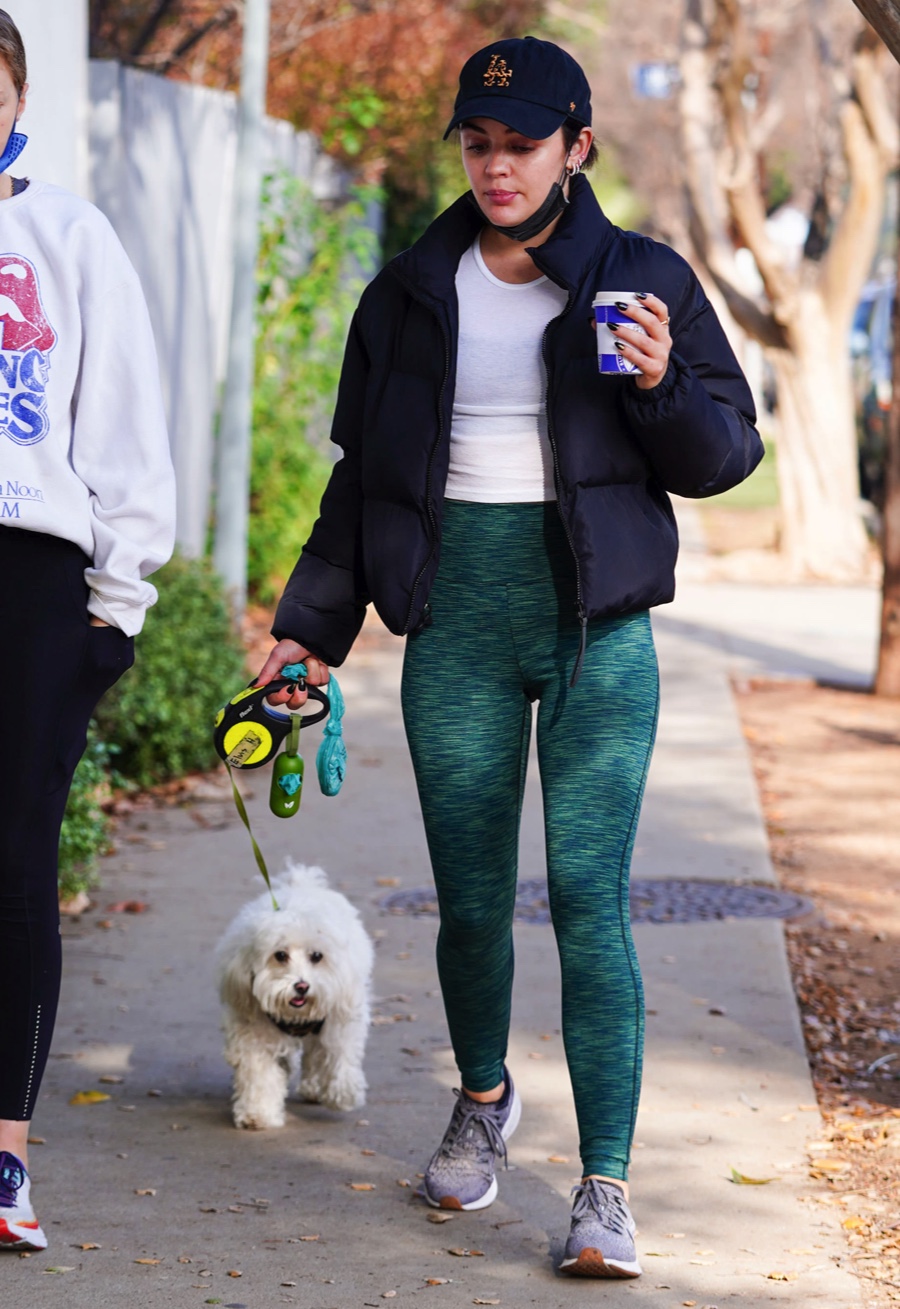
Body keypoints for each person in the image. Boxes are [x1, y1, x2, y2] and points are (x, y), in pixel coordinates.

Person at [257, 35, 762, 1279]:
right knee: (474, 901)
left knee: (592, 903)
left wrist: (656, 383)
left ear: (577, 148)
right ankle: (484, 1099)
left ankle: (604, 1187)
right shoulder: (409, 290)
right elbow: (360, 480)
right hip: (457, 634)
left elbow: (724, 454)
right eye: (478, 144)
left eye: (522, 144)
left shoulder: (644, 279)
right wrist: (308, 632)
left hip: (596, 632)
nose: (496, 166)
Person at [0, 9, 175, 1251]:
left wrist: (114, 612)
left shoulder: (64, 234)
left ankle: (2, 1158)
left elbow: (121, 428)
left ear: (15, 100)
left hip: (26, 579)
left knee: (9, 870)